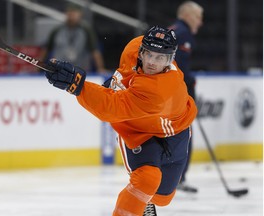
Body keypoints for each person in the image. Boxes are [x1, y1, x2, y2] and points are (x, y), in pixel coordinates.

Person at [44, 26, 197, 216]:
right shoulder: (133, 47)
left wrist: (77, 85)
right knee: (147, 179)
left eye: (160, 58)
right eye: (149, 54)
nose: (152, 62)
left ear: (170, 60)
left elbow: (112, 106)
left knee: (162, 197)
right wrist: (94, 84)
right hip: (136, 130)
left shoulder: (162, 90)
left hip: (175, 132)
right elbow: (122, 82)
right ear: (141, 51)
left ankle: (148, 199)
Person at [168, 1, 204, 193]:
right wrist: (190, 83)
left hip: (169, 94)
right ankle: (178, 178)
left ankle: (172, 177)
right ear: (188, 15)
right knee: (184, 134)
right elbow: (178, 68)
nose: (200, 22)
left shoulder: (173, 31)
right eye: (198, 17)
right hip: (177, 95)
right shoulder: (183, 34)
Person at [41, 3, 106, 74]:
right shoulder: (57, 30)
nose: (71, 16)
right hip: (59, 71)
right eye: (69, 13)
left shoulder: (86, 30)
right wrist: (39, 67)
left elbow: (95, 51)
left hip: (81, 71)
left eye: (74, 14)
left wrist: (100, 68)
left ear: (80, 15)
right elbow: (46, 49)